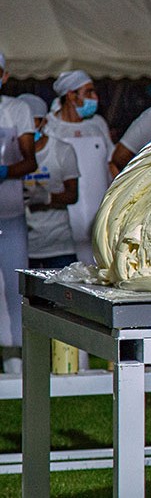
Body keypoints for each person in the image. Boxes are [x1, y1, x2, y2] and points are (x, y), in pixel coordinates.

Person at [44, 70, 113, 263]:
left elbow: (110, 162)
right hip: (65, 218)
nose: (95, 98)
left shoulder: (98, 124)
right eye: (89, 92)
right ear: (71, 95)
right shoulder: (50, 125)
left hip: (98, 211)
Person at [0, 53, 37, 374]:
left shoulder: (17, 110)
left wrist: (6, 170)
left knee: (14, 291)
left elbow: (30, 161)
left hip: (9, 216)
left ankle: (16, 364)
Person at [21, 94, 80, 269]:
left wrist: (47, 197)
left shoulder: (62, 150)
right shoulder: (11, 155)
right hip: (25, 245)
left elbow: (72, 195)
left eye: (32, 122)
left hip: (59, 245)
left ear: (44, 122)